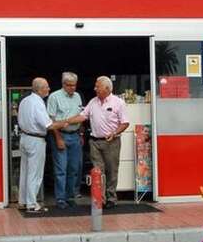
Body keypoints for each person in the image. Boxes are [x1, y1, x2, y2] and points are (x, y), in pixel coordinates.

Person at [67, 76, 129, 209]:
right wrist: (66, 121)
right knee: (98, 171)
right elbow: (83, 115)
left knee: (111, 171)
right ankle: (100, 198)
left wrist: (115, 133)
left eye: (97, 86)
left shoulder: (118, 102)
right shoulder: (93, 102)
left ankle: (111, 198)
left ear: (107, 88)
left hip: (111, 142)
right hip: (95, 142)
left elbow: (125, 123)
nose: (95, 89)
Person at [17, 77, 67, 213]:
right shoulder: (38, 103)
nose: (49, 89)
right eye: (47, 87)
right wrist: (64, 123)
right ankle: (32, 204)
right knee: (35, 173)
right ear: (39, 89)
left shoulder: (25, 101)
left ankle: (22, 201)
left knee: (25, 171)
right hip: (35, 139)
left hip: (24, 137)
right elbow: (48, 124)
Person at [47, 72, 84, 209]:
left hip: (75, 135)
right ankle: (61, 199)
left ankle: (70, 196)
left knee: (74, 168)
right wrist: (58, 138)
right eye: (69, 85)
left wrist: (80, 134)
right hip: (60, 134)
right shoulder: (54, 97)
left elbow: (81, 115)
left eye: (74, 85)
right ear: (63, 84)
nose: (72, 88)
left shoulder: (77, 96)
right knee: (61, 169)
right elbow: (51, 120)